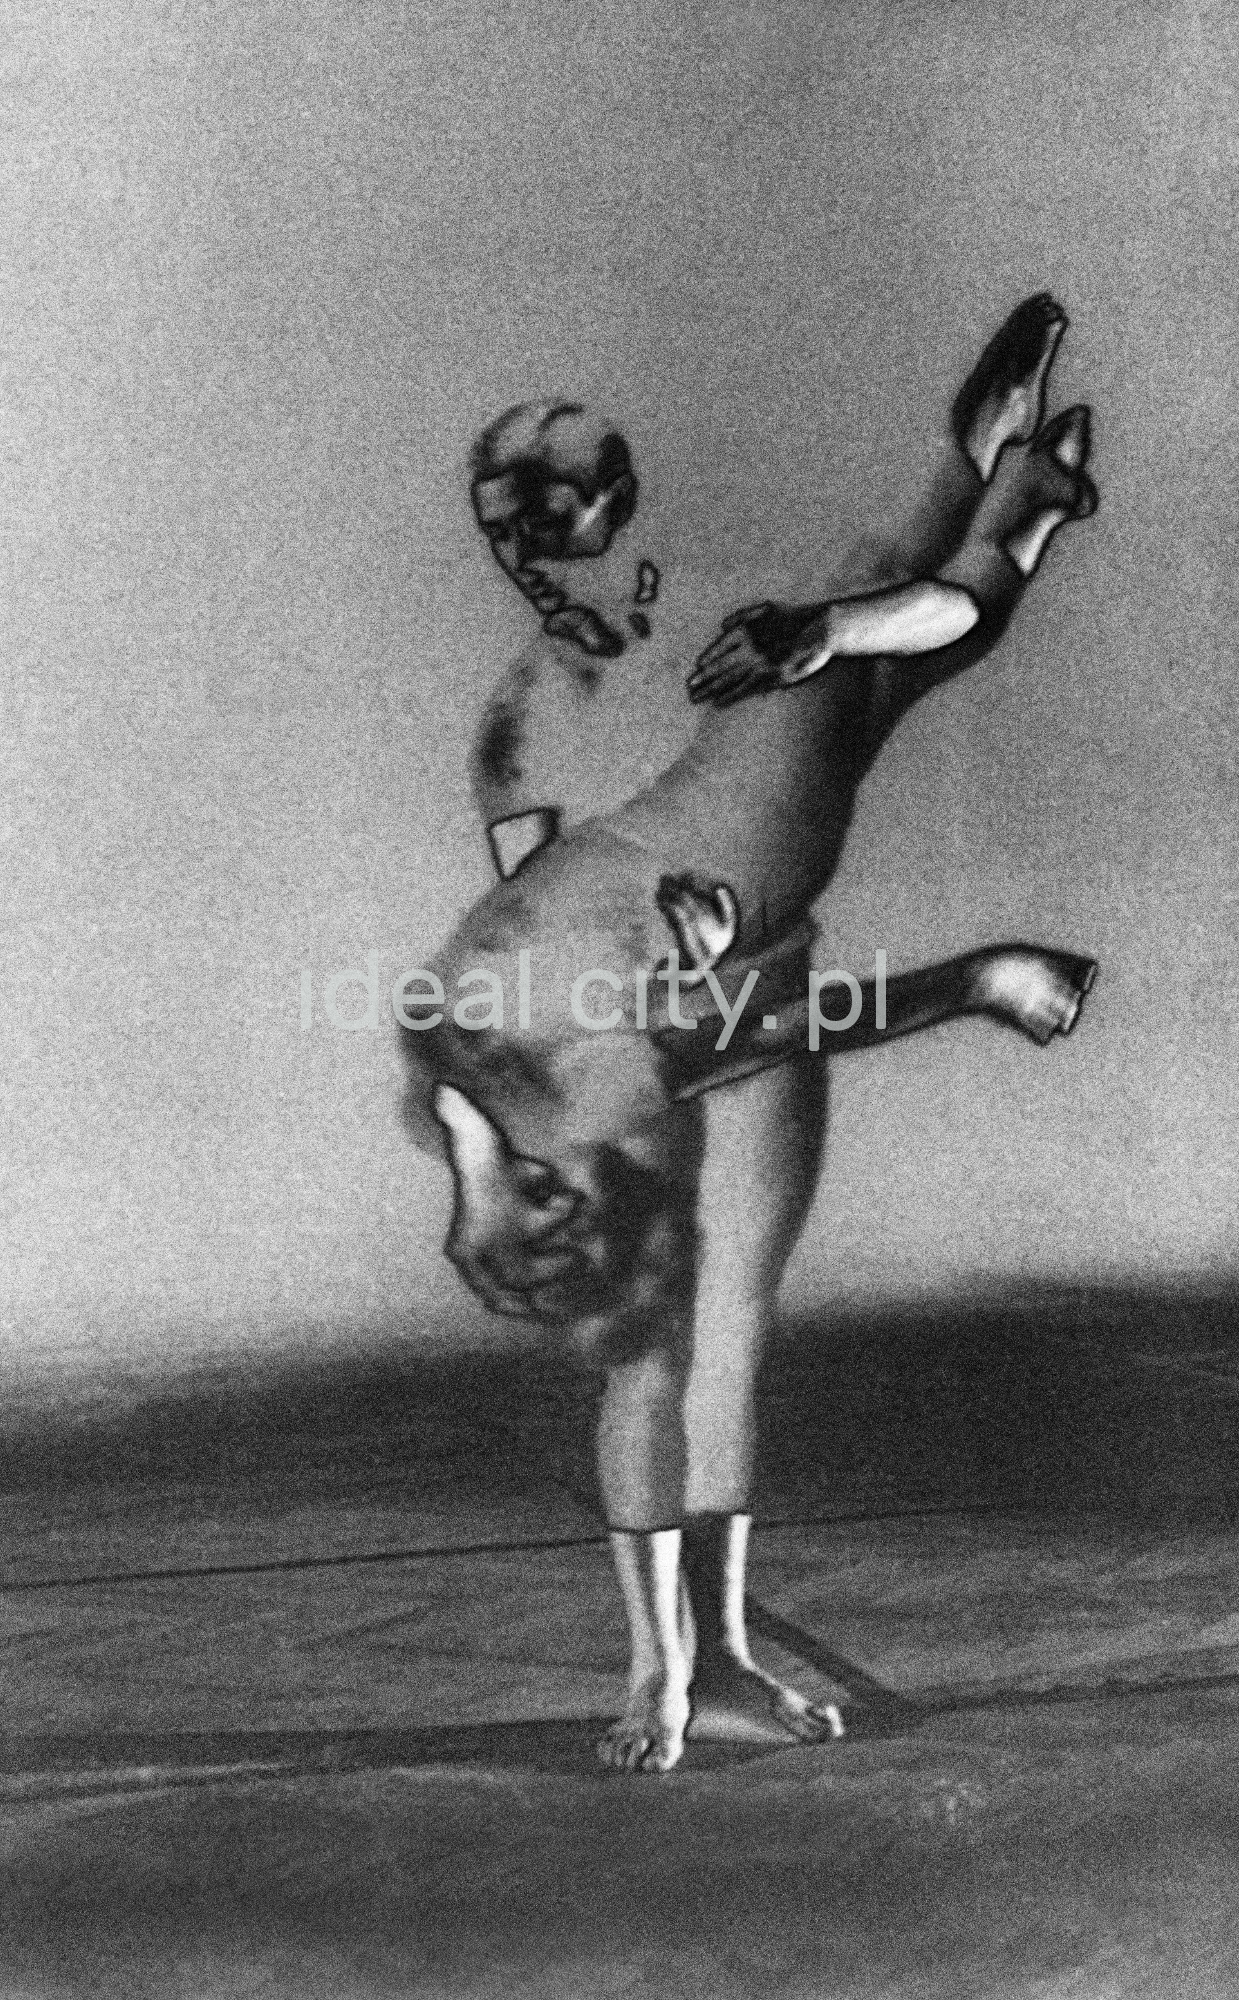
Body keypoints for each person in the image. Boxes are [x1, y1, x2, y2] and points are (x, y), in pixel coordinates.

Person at [402, 295, 1098, 1771]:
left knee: (724, 1338)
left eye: (555, 512)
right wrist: (946, 979)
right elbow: (588, 941)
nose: (532, 544)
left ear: (607, 507)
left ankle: (707, 1658)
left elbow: (885, 642)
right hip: (691, 1001)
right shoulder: (525, 728)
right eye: (507, 525)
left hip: (698, 973)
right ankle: (667, 1665)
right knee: (660, 1349)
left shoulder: (699, 624)